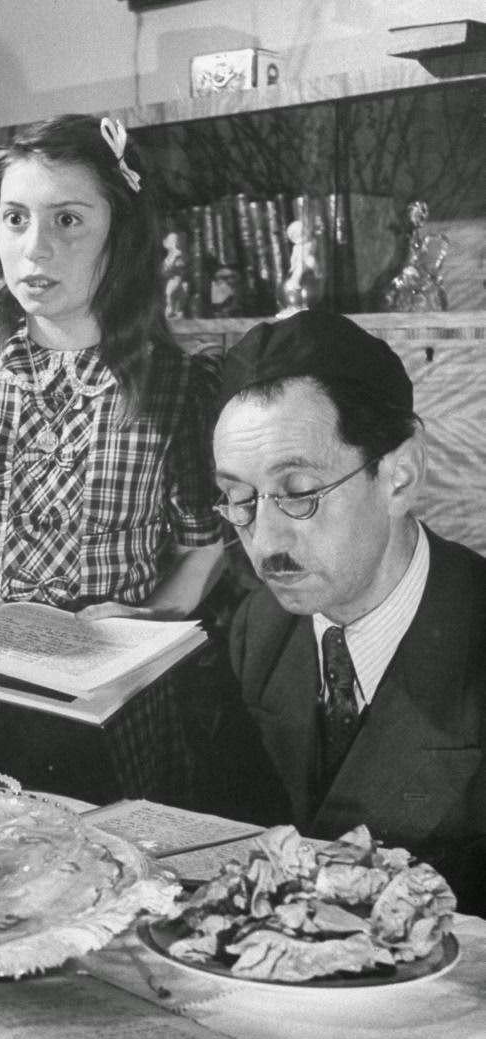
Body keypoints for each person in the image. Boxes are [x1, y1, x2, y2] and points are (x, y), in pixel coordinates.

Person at [0, 114, 223, 801]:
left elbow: (203, 554)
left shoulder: (177, 390)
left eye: (68, 221)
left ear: (120, 235)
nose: (35, 250)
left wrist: (142, 619)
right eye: (15, 219)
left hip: (103, 705)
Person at [210, 309, 486, 913]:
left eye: (300, 493)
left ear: (400, 475)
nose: (265, 541)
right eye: (238, 498)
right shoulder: (259, 629)